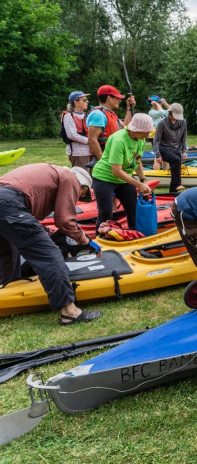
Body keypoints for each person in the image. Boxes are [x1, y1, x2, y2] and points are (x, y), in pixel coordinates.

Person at [0, 165, 102, 325]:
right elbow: (64, 221)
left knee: (7, 250)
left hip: (5, 200)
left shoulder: (51, 173)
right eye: (82, 194)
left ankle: (7, 293)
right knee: (49, 256)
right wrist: (87, 242)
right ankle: (70, 312)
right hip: (9, 204)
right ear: (81, 186)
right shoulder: (70, 178)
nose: (78, 198)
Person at [91, 113, 154, 232]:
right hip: (104, 177)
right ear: (134, 130)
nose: (148, 134)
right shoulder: (119, 140)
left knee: (133, 207)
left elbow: (137, 160)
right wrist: (139, 185)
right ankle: (100, 240)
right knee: (106, 211)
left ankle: (134, 232)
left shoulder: (140, 139)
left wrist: (143, 179)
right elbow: (116, 171)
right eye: (145, 132)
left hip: (123, 178)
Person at [86, 85, 135, 160]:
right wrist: (103, 161)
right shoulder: (98, 114)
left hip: (112, 156)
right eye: (117, 98)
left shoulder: (109, 113)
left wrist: (129, 108)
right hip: (105, 158)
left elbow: (125, 126)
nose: (119, 100)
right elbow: (92, 139)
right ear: (109, 98)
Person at [153, 103, 188, 192]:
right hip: (163, 148)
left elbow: (184, 137)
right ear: (170, 113)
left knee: (175, 167)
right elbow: (156, 140)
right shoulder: (162, 123)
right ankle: (178, 184)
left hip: (175, 149)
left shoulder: (183, 122)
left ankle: (172, 191)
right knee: (176, 160)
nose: (176, 118)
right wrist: (157, 155)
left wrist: (184, 151)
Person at [62, 91, 93, 169]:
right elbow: (72, 135)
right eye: (84, 100)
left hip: (92, 151)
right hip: (79, 153)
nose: (87, 102)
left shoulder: (87, 115)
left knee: (92, 178)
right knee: (82, 178)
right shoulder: (69, 116)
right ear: (76, 102)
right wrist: (90, 140)